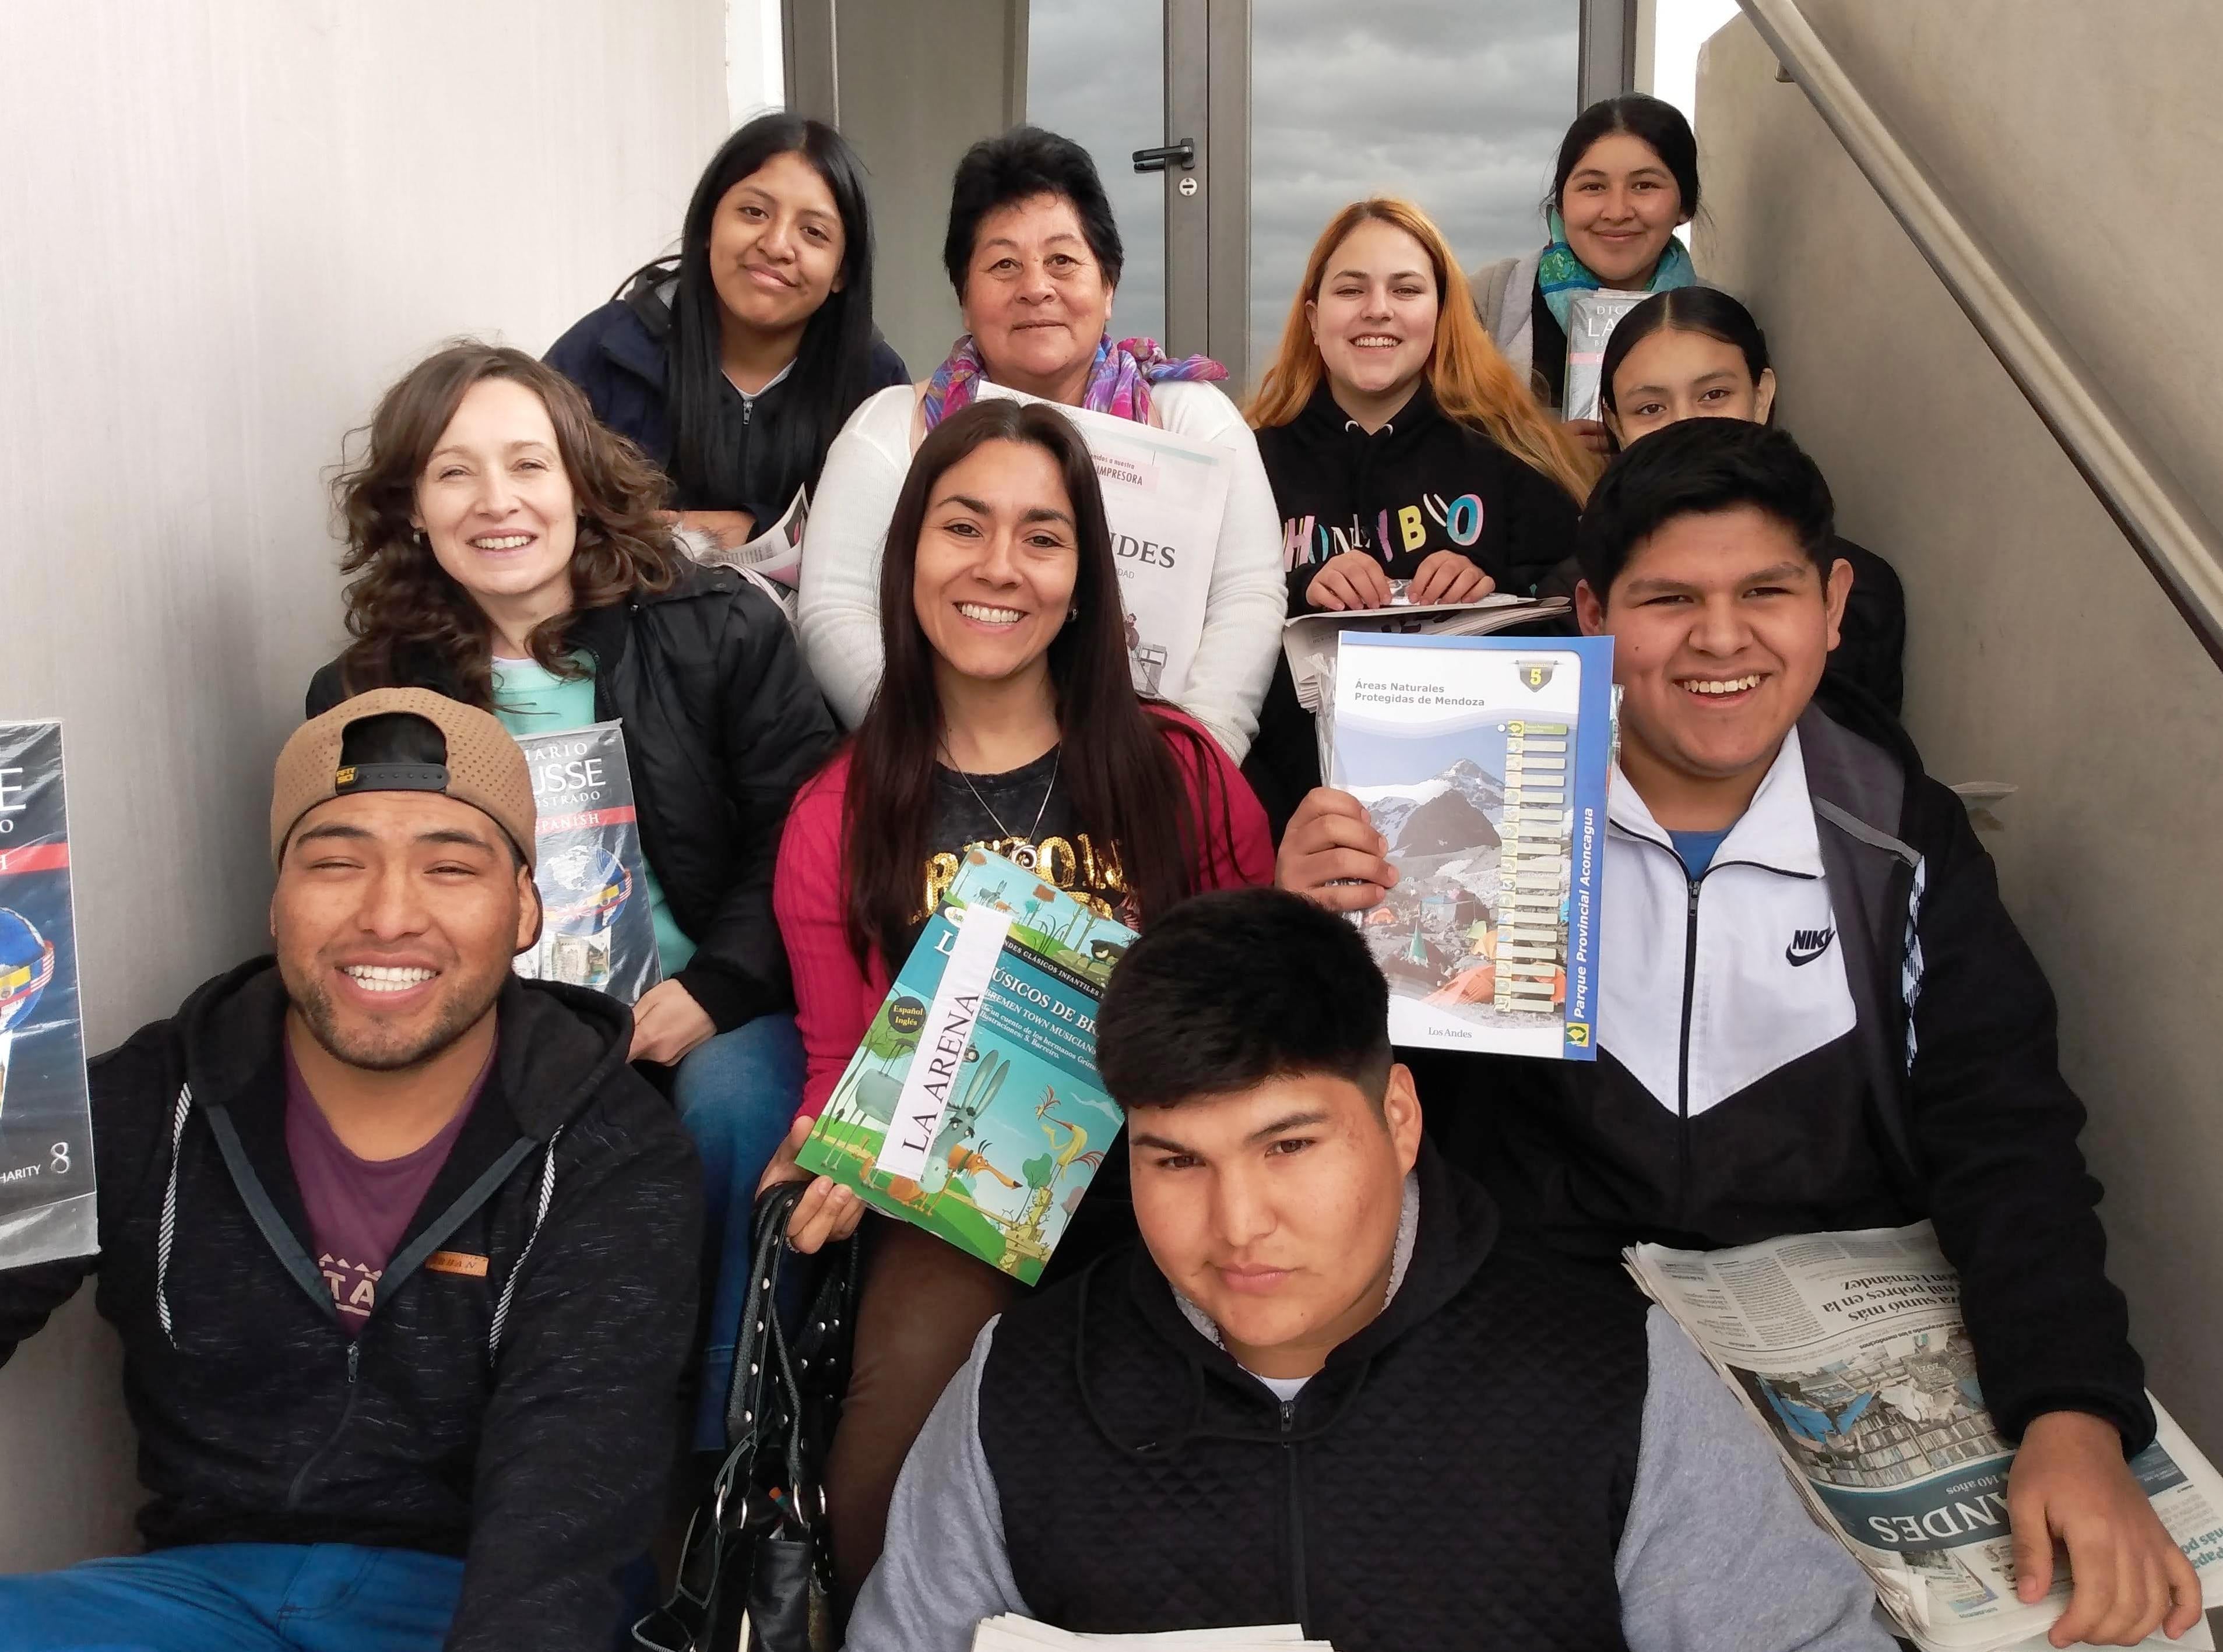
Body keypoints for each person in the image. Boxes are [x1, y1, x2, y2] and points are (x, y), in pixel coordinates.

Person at [1274, 420, 2203, 1649]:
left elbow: (2006, 1129)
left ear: (1831, 604)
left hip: (1838, 1349)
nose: (1720, 638)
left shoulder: (1896, 840)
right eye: (1668, 598)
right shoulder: (1465, 807)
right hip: (1550, 1346)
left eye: (1764, 591)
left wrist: (2074, 1411)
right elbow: (1331, 1117)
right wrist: (1302, 936)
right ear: (1593, 616)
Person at [843, 887, 1896, 1652]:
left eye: (1288, 1146)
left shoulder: (1606, 1373)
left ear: (1396, 1119)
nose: (1236, 1225)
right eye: (1176, 1162)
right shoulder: (1023, 1384)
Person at [0, 690, 699, 1651]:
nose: (387, 914)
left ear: (528, 908)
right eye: (334, 863)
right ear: (276, 902)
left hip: (475, 1604)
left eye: (451, 868)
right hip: (197, 1598)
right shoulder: (144, 1097)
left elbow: (567, 1503)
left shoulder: (612, 1151)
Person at [768, 396, 1274, 1608]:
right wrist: (815, 1168)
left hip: (1185, 1167)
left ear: (1084, 578)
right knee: (869, 1506)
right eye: (962, 527)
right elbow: (838, 1068)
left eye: (1041, 536)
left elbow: (1260, 1021)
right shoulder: (833, 816)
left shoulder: (1182, 768)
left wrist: (1298, 915)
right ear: (907, 560)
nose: (999, 567)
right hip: (967, 1205)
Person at [308, 341, 835, 1447]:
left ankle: (719, 1442)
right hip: (493, 1018)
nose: (496, 503)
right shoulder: (366, 694)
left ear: (580, 483)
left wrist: (722, 985)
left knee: (733, 1105)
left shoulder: (718, 625)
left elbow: (803, 827)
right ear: (410, 506)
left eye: (527, 466)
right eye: (454, 474)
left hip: (702, 1001)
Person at [797, 125, 1285, 761]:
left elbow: (1247, 598)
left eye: (1062, 260)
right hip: (944, 780)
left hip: (1156, 776)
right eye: (1003, 265)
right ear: (964, 298)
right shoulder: (891, 429)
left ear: (1107, 286)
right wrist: (950, 759)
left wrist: (1196, 759)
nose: (1035, 286)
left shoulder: (1195, 422)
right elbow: (835, 611)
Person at [1243, 195, 1592, 834]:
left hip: (1470, 814)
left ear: (1441, 314)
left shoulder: (1513, 454)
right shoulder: (1248, 459)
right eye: (1351, 289)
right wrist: (1300, 588)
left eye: (1406, 289)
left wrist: (1489, 588)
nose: (1378, 309)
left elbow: (1577, 626)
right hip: (1283, 818)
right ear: (1314, 318)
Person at [546, 112, 908, 554]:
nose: (776, 245)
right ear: (707, 227)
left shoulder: (876, 384)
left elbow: (896, 537)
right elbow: (533, 501)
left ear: (841, 271)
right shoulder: (606, 353)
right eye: (753, 212)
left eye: (813, 232)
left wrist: (756, 528)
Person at [1599, 284, 1905, 715]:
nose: (1686, 425)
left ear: (1762, 396)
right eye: (1650, 408)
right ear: (1615, 424)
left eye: (1714, 396)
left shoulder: (1867, 593)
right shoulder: (1577, 590)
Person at [1472, 93, 1700, 450]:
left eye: (1645, 185)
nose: (1617, 211)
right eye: (1593, 187)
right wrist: (1541, 451)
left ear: (1685, 205)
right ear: (1561, 204)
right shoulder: (1488, 301)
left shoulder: (1722, 317)